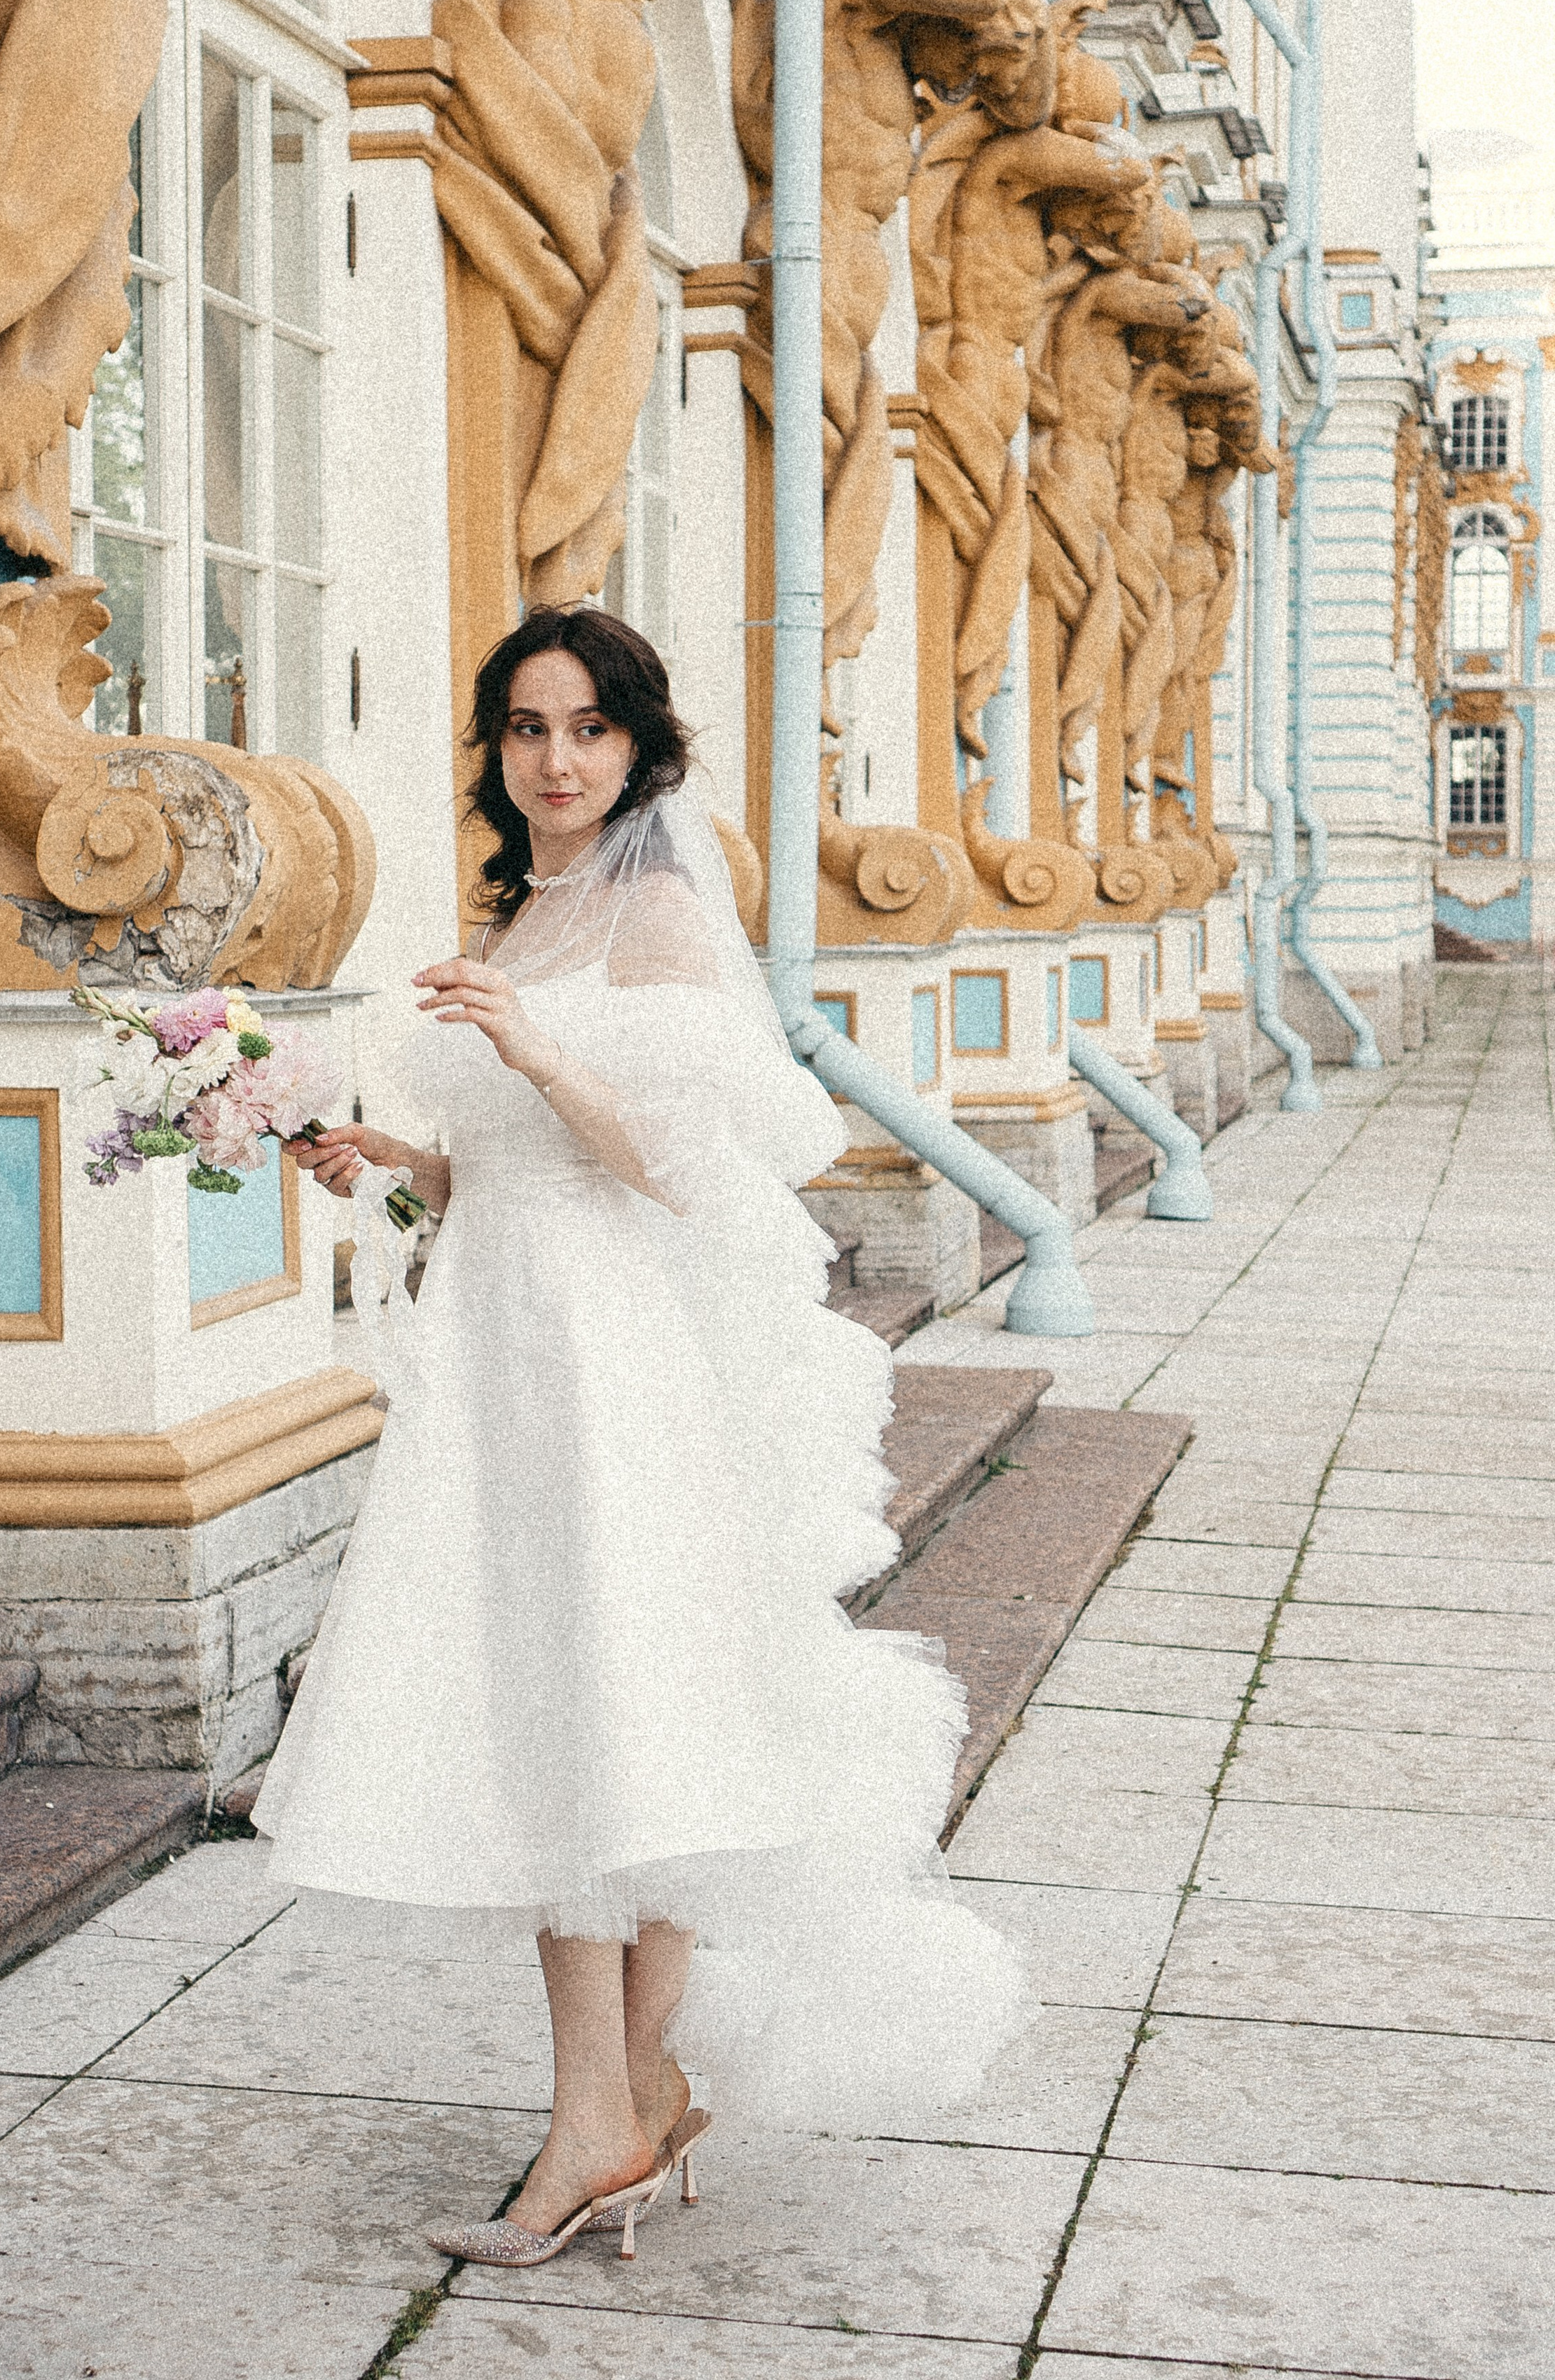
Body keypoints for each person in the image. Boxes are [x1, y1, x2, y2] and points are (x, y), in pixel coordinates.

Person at [258, 605, 1030, 2267]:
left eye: (585, 731)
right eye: (525, 730)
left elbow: (692, 1167)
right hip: (511, 1356)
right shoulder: (523, 912)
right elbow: (511, 1173)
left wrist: (530, 1051)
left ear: (636, 749)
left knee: (610, 1705)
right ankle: (626, 2098)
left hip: (618, 1368)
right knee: (587, 1712)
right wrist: (391, 1155)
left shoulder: (665, 919)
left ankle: (589, 2123)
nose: (552, 762)